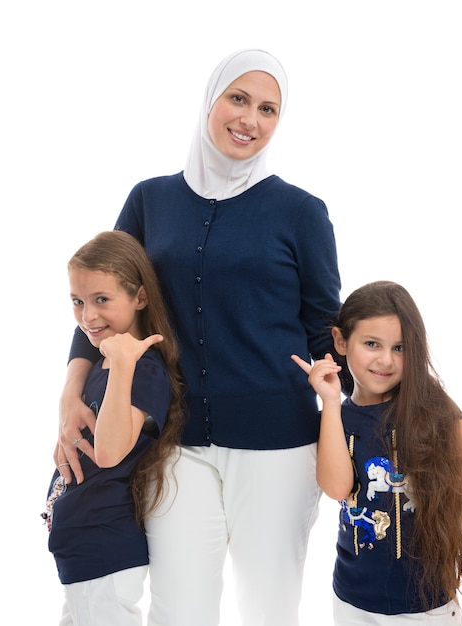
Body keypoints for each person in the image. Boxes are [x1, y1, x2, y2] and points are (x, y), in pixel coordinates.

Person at [54, 49, 342, 626]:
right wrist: (71, 392)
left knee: (270, 608)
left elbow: (325, 328)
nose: (251, 119)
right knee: (179, 609)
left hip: (278, 445)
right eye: (238, 99)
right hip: (175, 443)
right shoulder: (150, 199)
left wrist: (367, 416)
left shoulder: (301, 212)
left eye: (269, 109)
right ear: (210, 101)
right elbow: (103, 301)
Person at [292, 280, 462, 625]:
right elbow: (337, 489)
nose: (386, 360)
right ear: (341, 341)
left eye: (400, 348)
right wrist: (330, 403)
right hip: (352, 602)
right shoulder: (334, 419)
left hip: (426, 607)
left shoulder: (435, 411)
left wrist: (432, 505)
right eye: (372, 344)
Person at [43, 230, 184, 626]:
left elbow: (109, 452)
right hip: (83, 548)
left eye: (101, 300)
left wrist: (123, 363)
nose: (88, 316)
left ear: (139, 298)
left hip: (103, 547)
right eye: (77, 302)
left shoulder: (144, 369)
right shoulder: (99, 362)